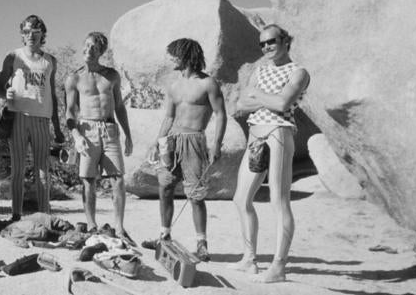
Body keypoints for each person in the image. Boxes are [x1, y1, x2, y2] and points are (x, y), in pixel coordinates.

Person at [230, 24, 310, 282]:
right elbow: (242, 103)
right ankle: (249, 259)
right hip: (256, 134)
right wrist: (267, 98)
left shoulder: (298, 72)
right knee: (241, 199)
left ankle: (278, 266)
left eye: (271, 41)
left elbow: (283, 103)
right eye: (262, 43)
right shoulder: (259, 70)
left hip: (279, 133)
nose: (266, 47)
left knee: (279, 200)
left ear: (285, 40)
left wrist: (258, 95)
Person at [142, 38, 227, 262]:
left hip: (194, 140)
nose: (169, 59)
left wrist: (216, 143)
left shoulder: (208, 83)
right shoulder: (173, 85)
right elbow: (169, 117)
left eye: (173, 55)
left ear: (184, 55)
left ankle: (202, 244)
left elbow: (220, 114)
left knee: (196, 195)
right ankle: (164, 236)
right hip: (171, 141)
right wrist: (156, 142)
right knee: (165, 187)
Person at [64, 31, 135, 245]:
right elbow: (69, 112)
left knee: (118, 179)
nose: (88, 50)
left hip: (110, 129)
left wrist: (128, 135)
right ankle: (92, 225)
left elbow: (120, 106)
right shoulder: (74, 78)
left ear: (100, 51)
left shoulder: (111, 76)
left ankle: (120, 228)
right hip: (87, 131)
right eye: (85, 46)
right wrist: (76, 135)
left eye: (93, 47)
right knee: (88, 181)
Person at [0, 15, 65, 220]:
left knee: (42, 169)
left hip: (42, 119)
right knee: (18, 170)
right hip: (17, 117)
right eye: (26, 32)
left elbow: (52, 94)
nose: (30, 36)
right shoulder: (13, 57)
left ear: (42, 33)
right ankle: (16, 215)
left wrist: (57, 127)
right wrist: (5, 93)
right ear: (22, 34)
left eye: (35, 32)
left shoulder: (49, 61)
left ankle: (44, 215)